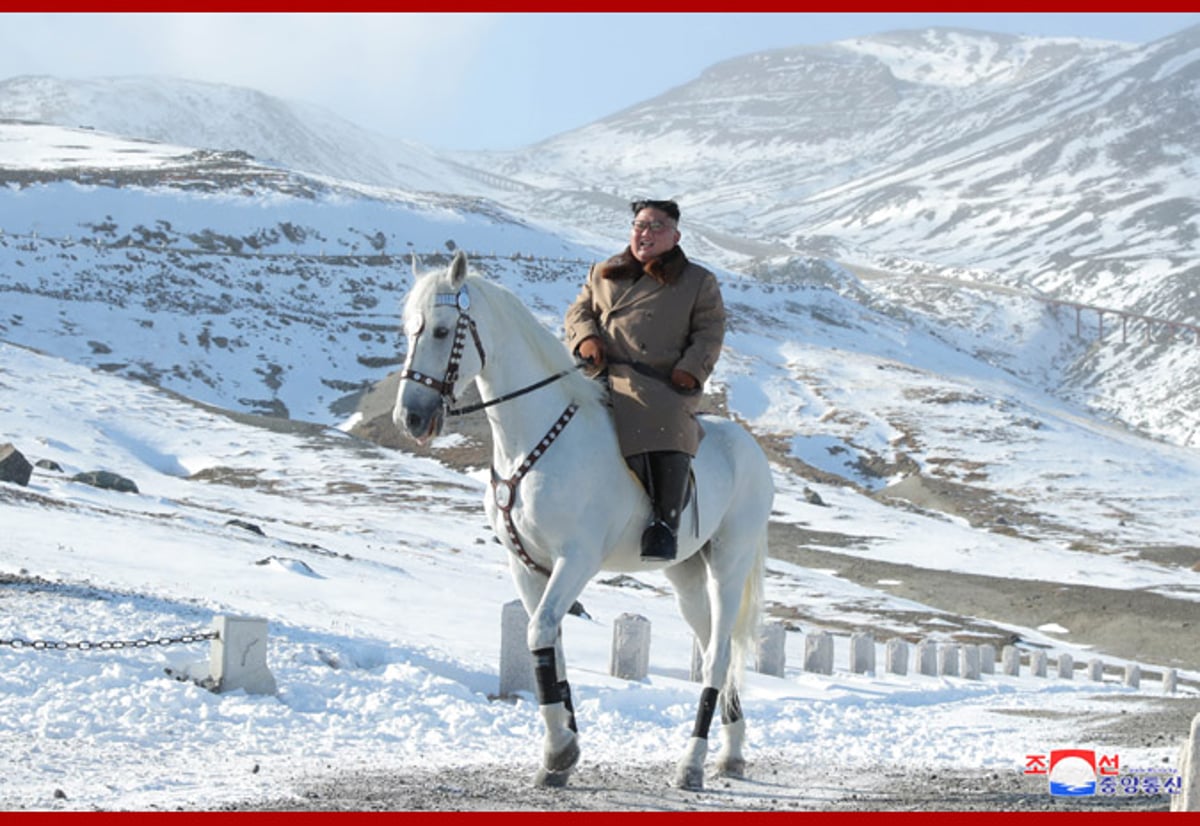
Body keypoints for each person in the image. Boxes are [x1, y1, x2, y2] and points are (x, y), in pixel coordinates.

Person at [564, 199, 726, 561]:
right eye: (640, 225)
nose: (645, 233)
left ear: (675, 235)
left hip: (660, 381)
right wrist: (586, 339)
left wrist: (690, 370)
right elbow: (579, 311)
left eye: (656, 227)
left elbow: (709, 332)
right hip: (600, 372)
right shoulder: (605, 271)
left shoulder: (698, 282)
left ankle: (663, 525)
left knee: (664, 424)